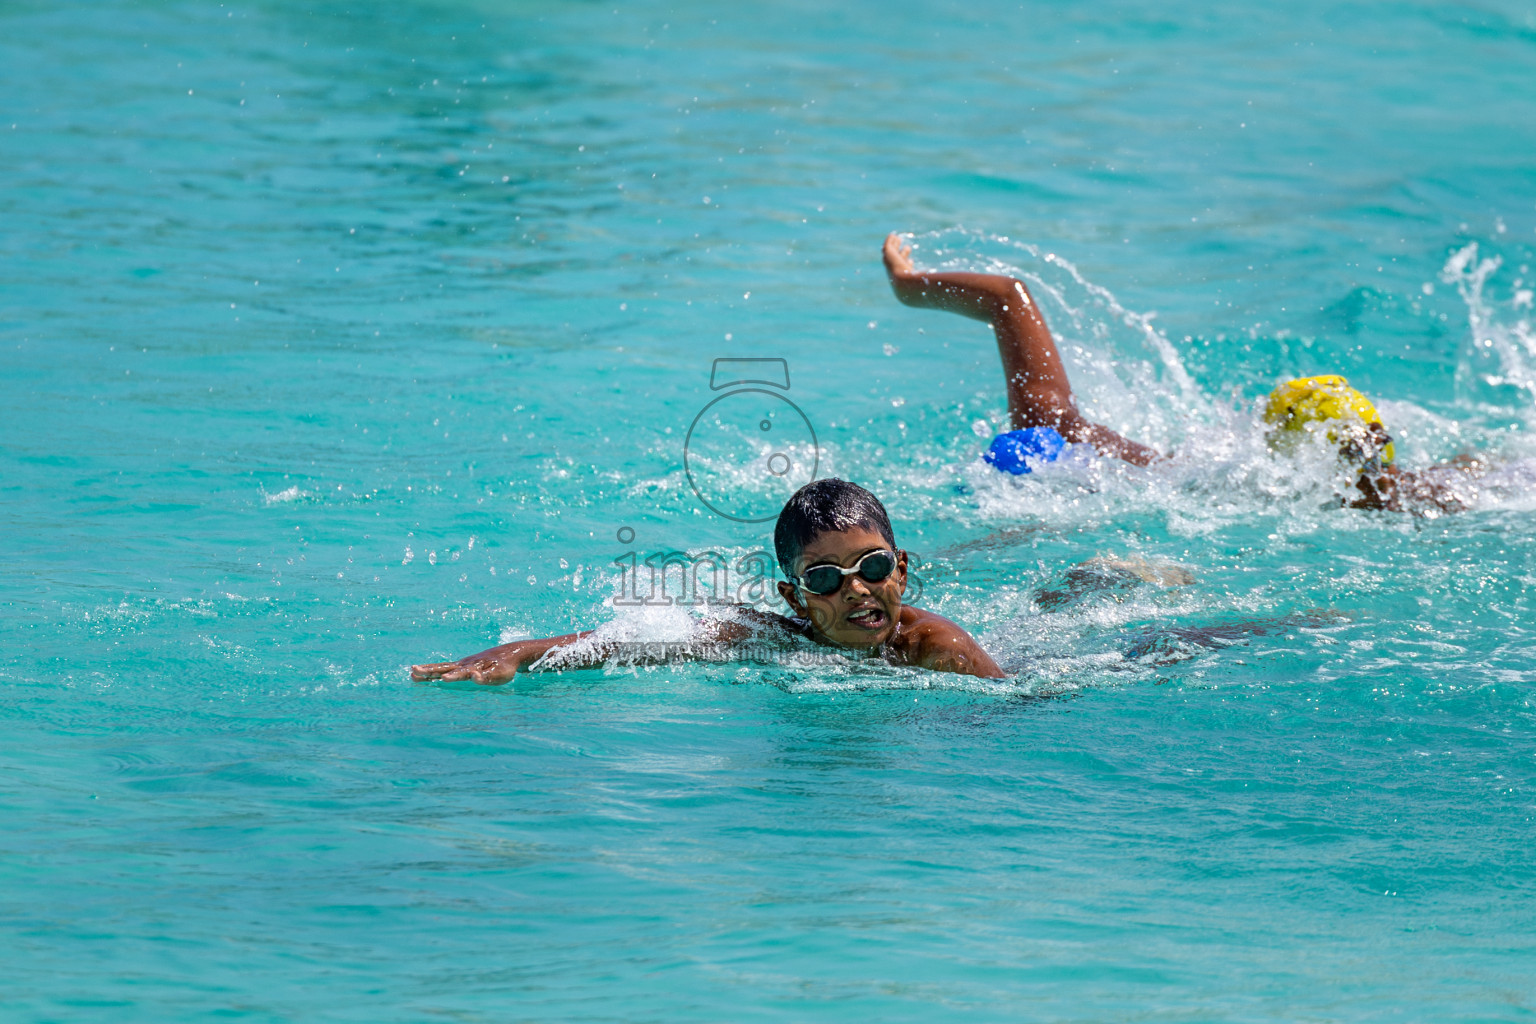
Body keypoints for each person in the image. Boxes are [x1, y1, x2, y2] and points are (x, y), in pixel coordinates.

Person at [881, 232, 1482, 512]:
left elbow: (1007, 296)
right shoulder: (1447, 497)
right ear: (1380, 439)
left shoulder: (1180, 481)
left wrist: (908, 284)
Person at [410, 478, 1005, 684]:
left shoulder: (939, 650)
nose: (856, 589)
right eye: (826, 578)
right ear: (795, 599)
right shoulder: (771, 637)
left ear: (901, 570)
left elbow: (1013, 710)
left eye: (872, 567)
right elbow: (642, 641)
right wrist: (520, 652)